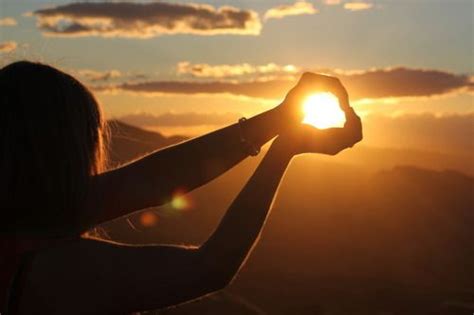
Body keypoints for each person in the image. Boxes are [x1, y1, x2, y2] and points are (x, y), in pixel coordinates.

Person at [0, 61, 362, 314]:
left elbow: (155, 178)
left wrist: (279, 119)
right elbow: (210, 267)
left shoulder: (29, 215)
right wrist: (282, 152)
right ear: (65, 152)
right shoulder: (49, 270)